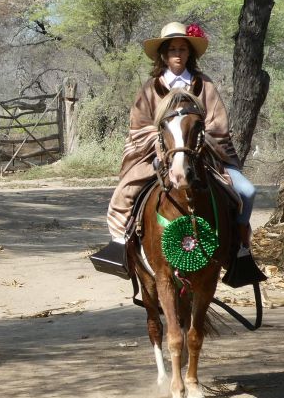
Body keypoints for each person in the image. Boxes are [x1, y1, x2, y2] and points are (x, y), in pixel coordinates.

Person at [106, 21, 256, 252]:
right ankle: (122, 246)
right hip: (156, 153)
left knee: (247, 192)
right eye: (173, 50)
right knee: (125, 193)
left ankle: (239, 246)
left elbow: (217, 122)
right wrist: (161, 144)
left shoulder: (204, 85)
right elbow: (138, 127)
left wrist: (194, 141)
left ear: (189, 53)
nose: (178, 54)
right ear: (164, 55)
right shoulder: (150, 88)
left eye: (182, 49)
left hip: (203, 154)